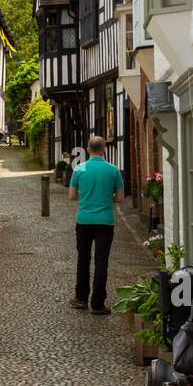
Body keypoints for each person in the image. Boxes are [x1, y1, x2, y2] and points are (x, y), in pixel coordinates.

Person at [68, 134, 123, 315]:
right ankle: (98, 303)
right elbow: (120, 198)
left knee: (83, 259)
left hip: (84, 220)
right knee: (101, 261)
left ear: (88, 149)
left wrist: (85, 197)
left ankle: (81, 298)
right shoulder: (113, 170)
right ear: (104, 149)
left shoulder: (79, 169)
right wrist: (108, 197)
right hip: (105, 221)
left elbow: (71, 195)